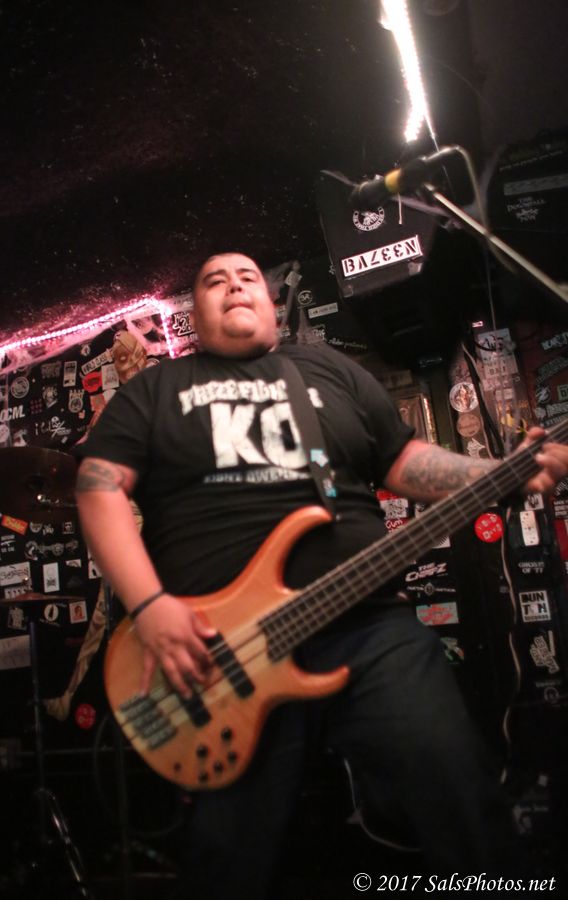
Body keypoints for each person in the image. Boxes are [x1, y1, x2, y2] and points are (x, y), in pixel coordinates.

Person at [75, 252, 568, 898]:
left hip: (369, 630)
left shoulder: (328, 370)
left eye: (248, 277)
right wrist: (149, 605)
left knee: (459, 794)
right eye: (214, 281)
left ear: (271, 305)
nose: (234, 285)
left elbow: (403, 461)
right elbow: (98, 486)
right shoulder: (156, 390)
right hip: (220, 652)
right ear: (195, 313)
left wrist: (502, 473)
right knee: (228, 860)